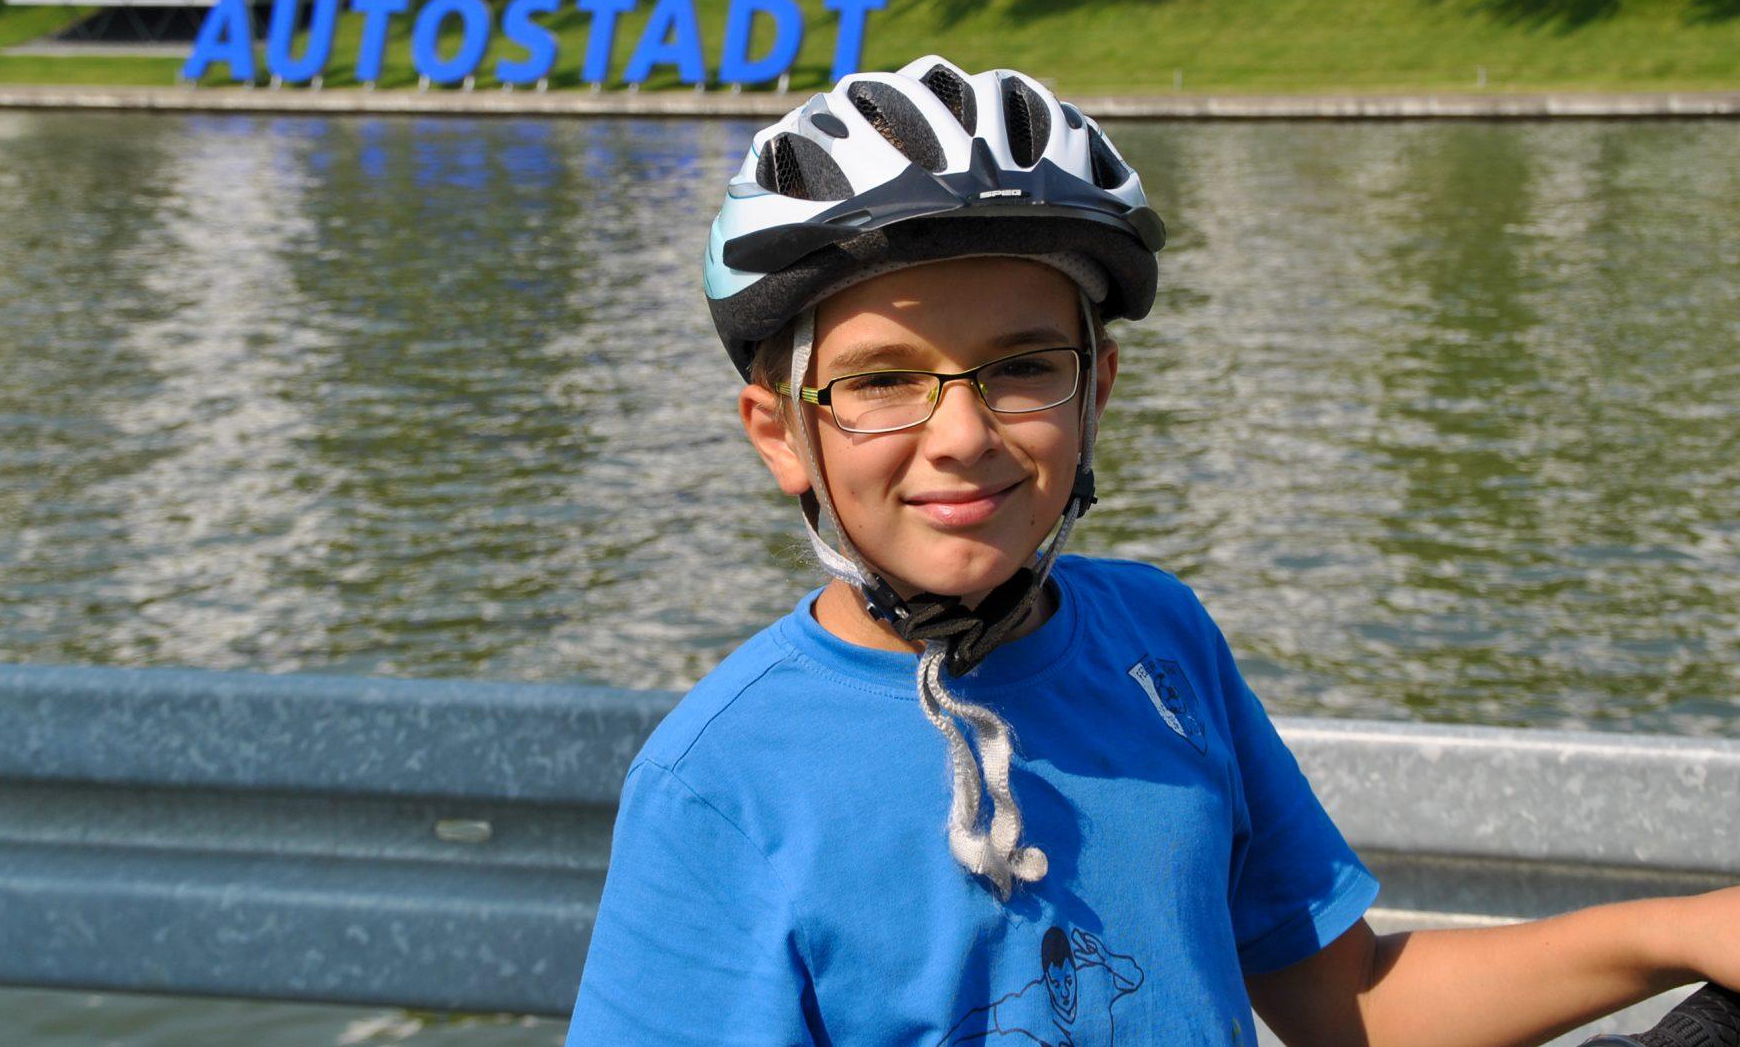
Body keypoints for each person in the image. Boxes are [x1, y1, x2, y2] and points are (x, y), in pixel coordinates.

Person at [565, 57, 1740, 1044]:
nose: (962, 434)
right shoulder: (720, 781)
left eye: (1025, 365)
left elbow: (1354, 1000)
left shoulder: (1157, 636)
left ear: (1098, 390)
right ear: (783, 432)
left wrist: (1681, 929)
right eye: (881, 380)